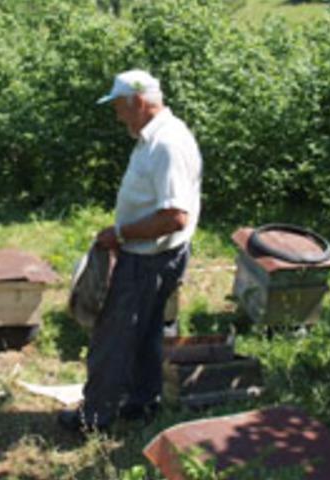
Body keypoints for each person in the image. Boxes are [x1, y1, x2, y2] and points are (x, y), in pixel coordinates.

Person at [59, 69, 202, 433]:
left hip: (148, 258)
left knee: (113, 335)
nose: (117, 115)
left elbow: (174, 216)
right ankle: (141, 404)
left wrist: (121, 234)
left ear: (138, 102)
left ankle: (95, 418)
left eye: (119, 107)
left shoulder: (166, 144)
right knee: (147, 331)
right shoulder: (155, 138)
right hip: (156, 255)